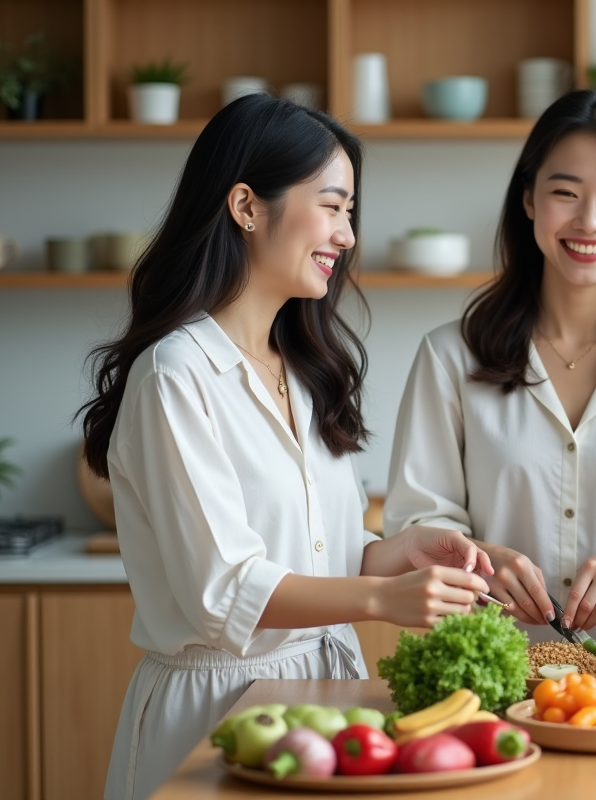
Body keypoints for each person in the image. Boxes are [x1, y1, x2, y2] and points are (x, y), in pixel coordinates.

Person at [79, 95, 492, 800]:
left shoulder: (303, 371)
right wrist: (381, 598)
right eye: (332, 206)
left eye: (350, 212)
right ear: (246, 205)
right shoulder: (176, 375)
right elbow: (225, 591)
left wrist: (406, 551)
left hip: (327, 703)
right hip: (217, 710)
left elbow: (327, 555)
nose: (347, 235)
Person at [383, 90, 596, 646]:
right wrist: (483, 557)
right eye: (565, 192)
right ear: (528, 199)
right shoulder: (450, 357)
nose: (589, 220)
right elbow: (414, 528)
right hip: (490, 673)